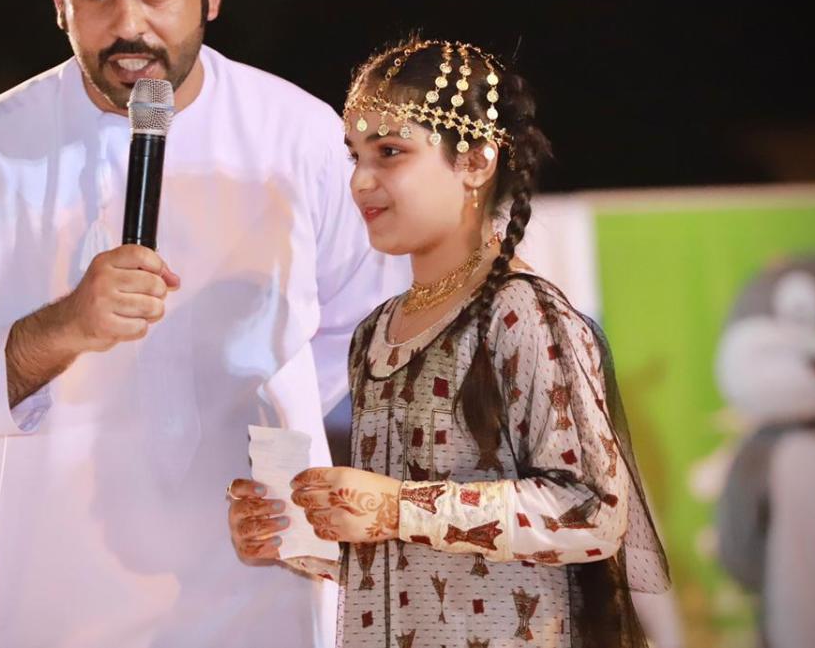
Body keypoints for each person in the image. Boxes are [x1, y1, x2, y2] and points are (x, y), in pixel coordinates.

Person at [0, 0, 406, 648]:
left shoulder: (300, 138)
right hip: (51, 603)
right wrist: (63, 329)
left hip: (256, 594)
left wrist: (252, 416)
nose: (129, 26)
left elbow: (371, 339)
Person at [229, 37, 671, 646]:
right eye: (355, 156)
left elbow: (592, 512)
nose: (361, 182)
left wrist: (396, 506)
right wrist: (298, 532)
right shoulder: (376, 333)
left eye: (390, 152)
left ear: (476, 163)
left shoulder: (521, 313)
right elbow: (418, 558)